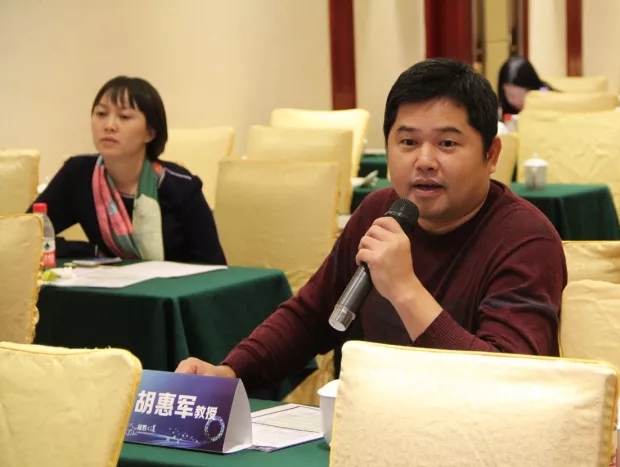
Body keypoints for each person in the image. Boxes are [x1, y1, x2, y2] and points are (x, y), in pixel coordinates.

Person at [176, 58, 567, 387]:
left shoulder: (526, 238)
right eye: (408, 142)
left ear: (491, 155)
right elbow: (311, 317)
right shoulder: (380, 210)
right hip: (371, 424)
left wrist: (404, 288)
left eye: (447, 144)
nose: (424, 161)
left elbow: (507, 381)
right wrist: (230, 372)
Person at [28, 76, 226, 265]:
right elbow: (27, 237)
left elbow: (214, 267)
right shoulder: (78, 174)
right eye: (101, 114)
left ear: (150, 133)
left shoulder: (180, 186)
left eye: (124, 117)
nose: (109, 126)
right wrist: (93, 252)